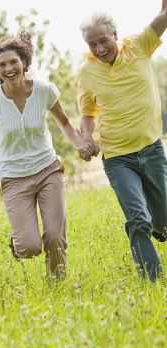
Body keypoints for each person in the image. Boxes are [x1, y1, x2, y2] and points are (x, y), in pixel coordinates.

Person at [0, 31, 93, 279]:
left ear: (24, 63)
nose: (8, 68)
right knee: (29, 248)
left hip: (47, 168)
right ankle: (19, 241)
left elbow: (66, 125)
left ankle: (57, 287)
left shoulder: (44, 91)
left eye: (13, 62)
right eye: (2, 65)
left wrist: (81, 143)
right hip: (14, 177)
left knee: (56, 237)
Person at [77, 3, 167, 282]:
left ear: (115, 34)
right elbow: (87, 115)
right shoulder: (86, 73)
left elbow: (164, 15)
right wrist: (85, 138)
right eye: (92, 44)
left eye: (103, 40)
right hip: (117, 158)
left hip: (151, 149)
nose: (99, 48)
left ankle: (160, 225)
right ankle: (152, 282)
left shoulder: (139, 45)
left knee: (163, 221)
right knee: (137, 219)